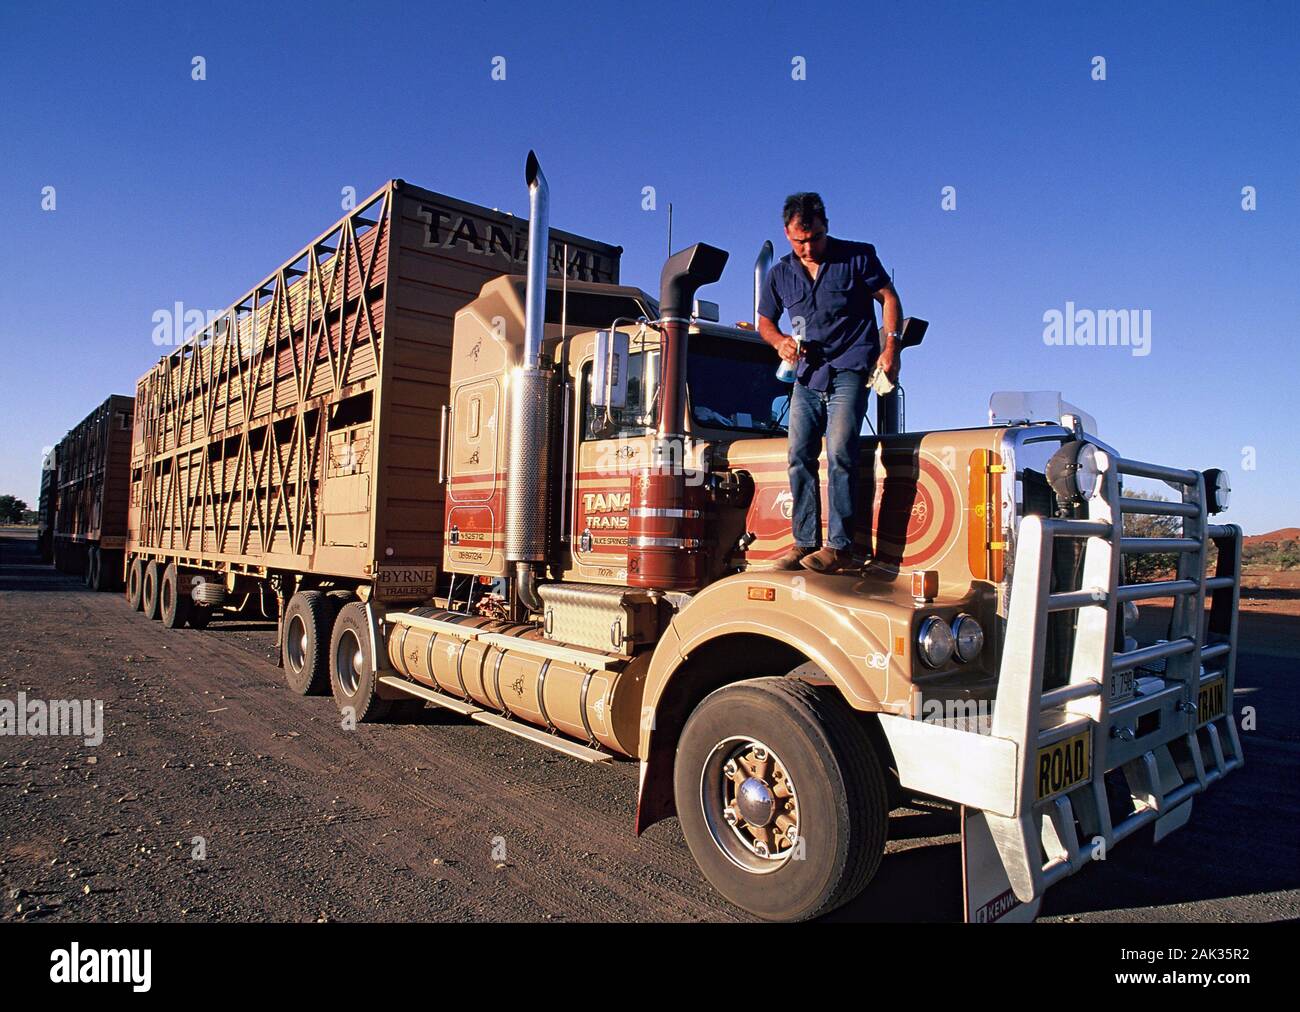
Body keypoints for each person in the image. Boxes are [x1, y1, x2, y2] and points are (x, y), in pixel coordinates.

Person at [757, 192, 903, 574]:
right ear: (787, 234)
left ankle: (841, 547)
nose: (807, 247)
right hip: (807, 375)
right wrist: (779, 342)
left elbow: (888, 297)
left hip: (851, 368)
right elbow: (765, 323)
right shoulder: (780, 274)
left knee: (840, 452)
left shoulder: (858, 256)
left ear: (827, 227)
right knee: (799, 455)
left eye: (814, 238)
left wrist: (892, 347)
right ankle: (804, 542)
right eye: (798, 241)